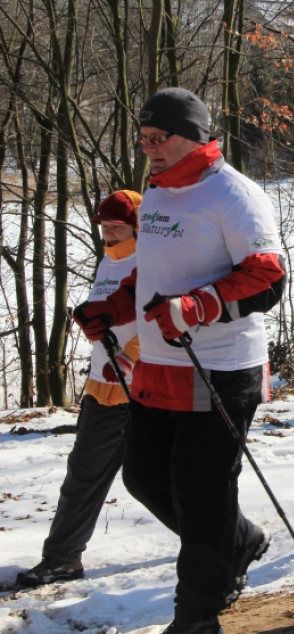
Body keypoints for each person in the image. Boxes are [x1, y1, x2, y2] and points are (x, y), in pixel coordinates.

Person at [71, 87, 287, 634]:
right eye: (142, 140)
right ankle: (235, 541)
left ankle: (196, 617)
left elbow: (268, 277)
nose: (148, 149)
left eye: (157, 138)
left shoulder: (233, 195)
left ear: (192, 134)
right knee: (144, 477)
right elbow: (154, 275)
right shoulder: (160, 194)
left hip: (218, 367)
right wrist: (111, 309)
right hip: (158, 368)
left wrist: (199, 306)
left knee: (202, 493)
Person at [16, 191, 142, 588]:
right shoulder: (109, 259)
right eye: (103, 225)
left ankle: (223, 543)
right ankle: (63, 558)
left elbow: (158, 318)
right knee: (83, 474)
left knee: (162, 481)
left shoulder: (151, 260)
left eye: (116, 225)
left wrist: (130, 356)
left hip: (144, 389)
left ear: (136, 224)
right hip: (102, 385)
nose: (108, 232)